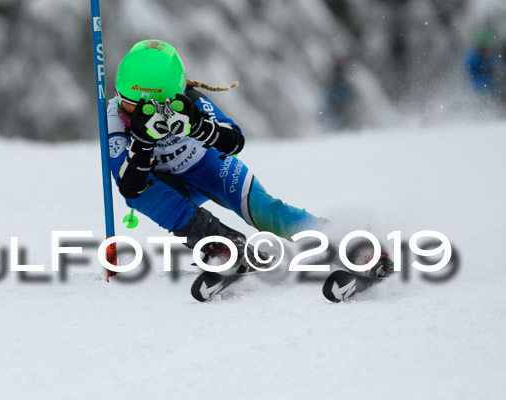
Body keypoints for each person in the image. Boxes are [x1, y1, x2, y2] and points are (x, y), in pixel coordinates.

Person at [107, 39, 391, 276]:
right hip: (168, 186)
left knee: (263, 209)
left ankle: (336, 237)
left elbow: (234, 141)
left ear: (173, 99)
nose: (133, 115)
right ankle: (221, 242)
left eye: (148, 108)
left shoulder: (192, 103)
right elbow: (129, 185)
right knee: (140, 192)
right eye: (129, 105)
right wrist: (143, 142)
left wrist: (199, 126)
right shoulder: (113, 123)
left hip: (206, 166)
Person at [464, 27, 504, 97]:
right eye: (485, 49)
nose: (488, 52)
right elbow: (469, 74)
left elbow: (499, 68)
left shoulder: (491, 58)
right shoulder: (473, 58)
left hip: (492, 89)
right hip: (477, 90)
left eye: (489, 49)